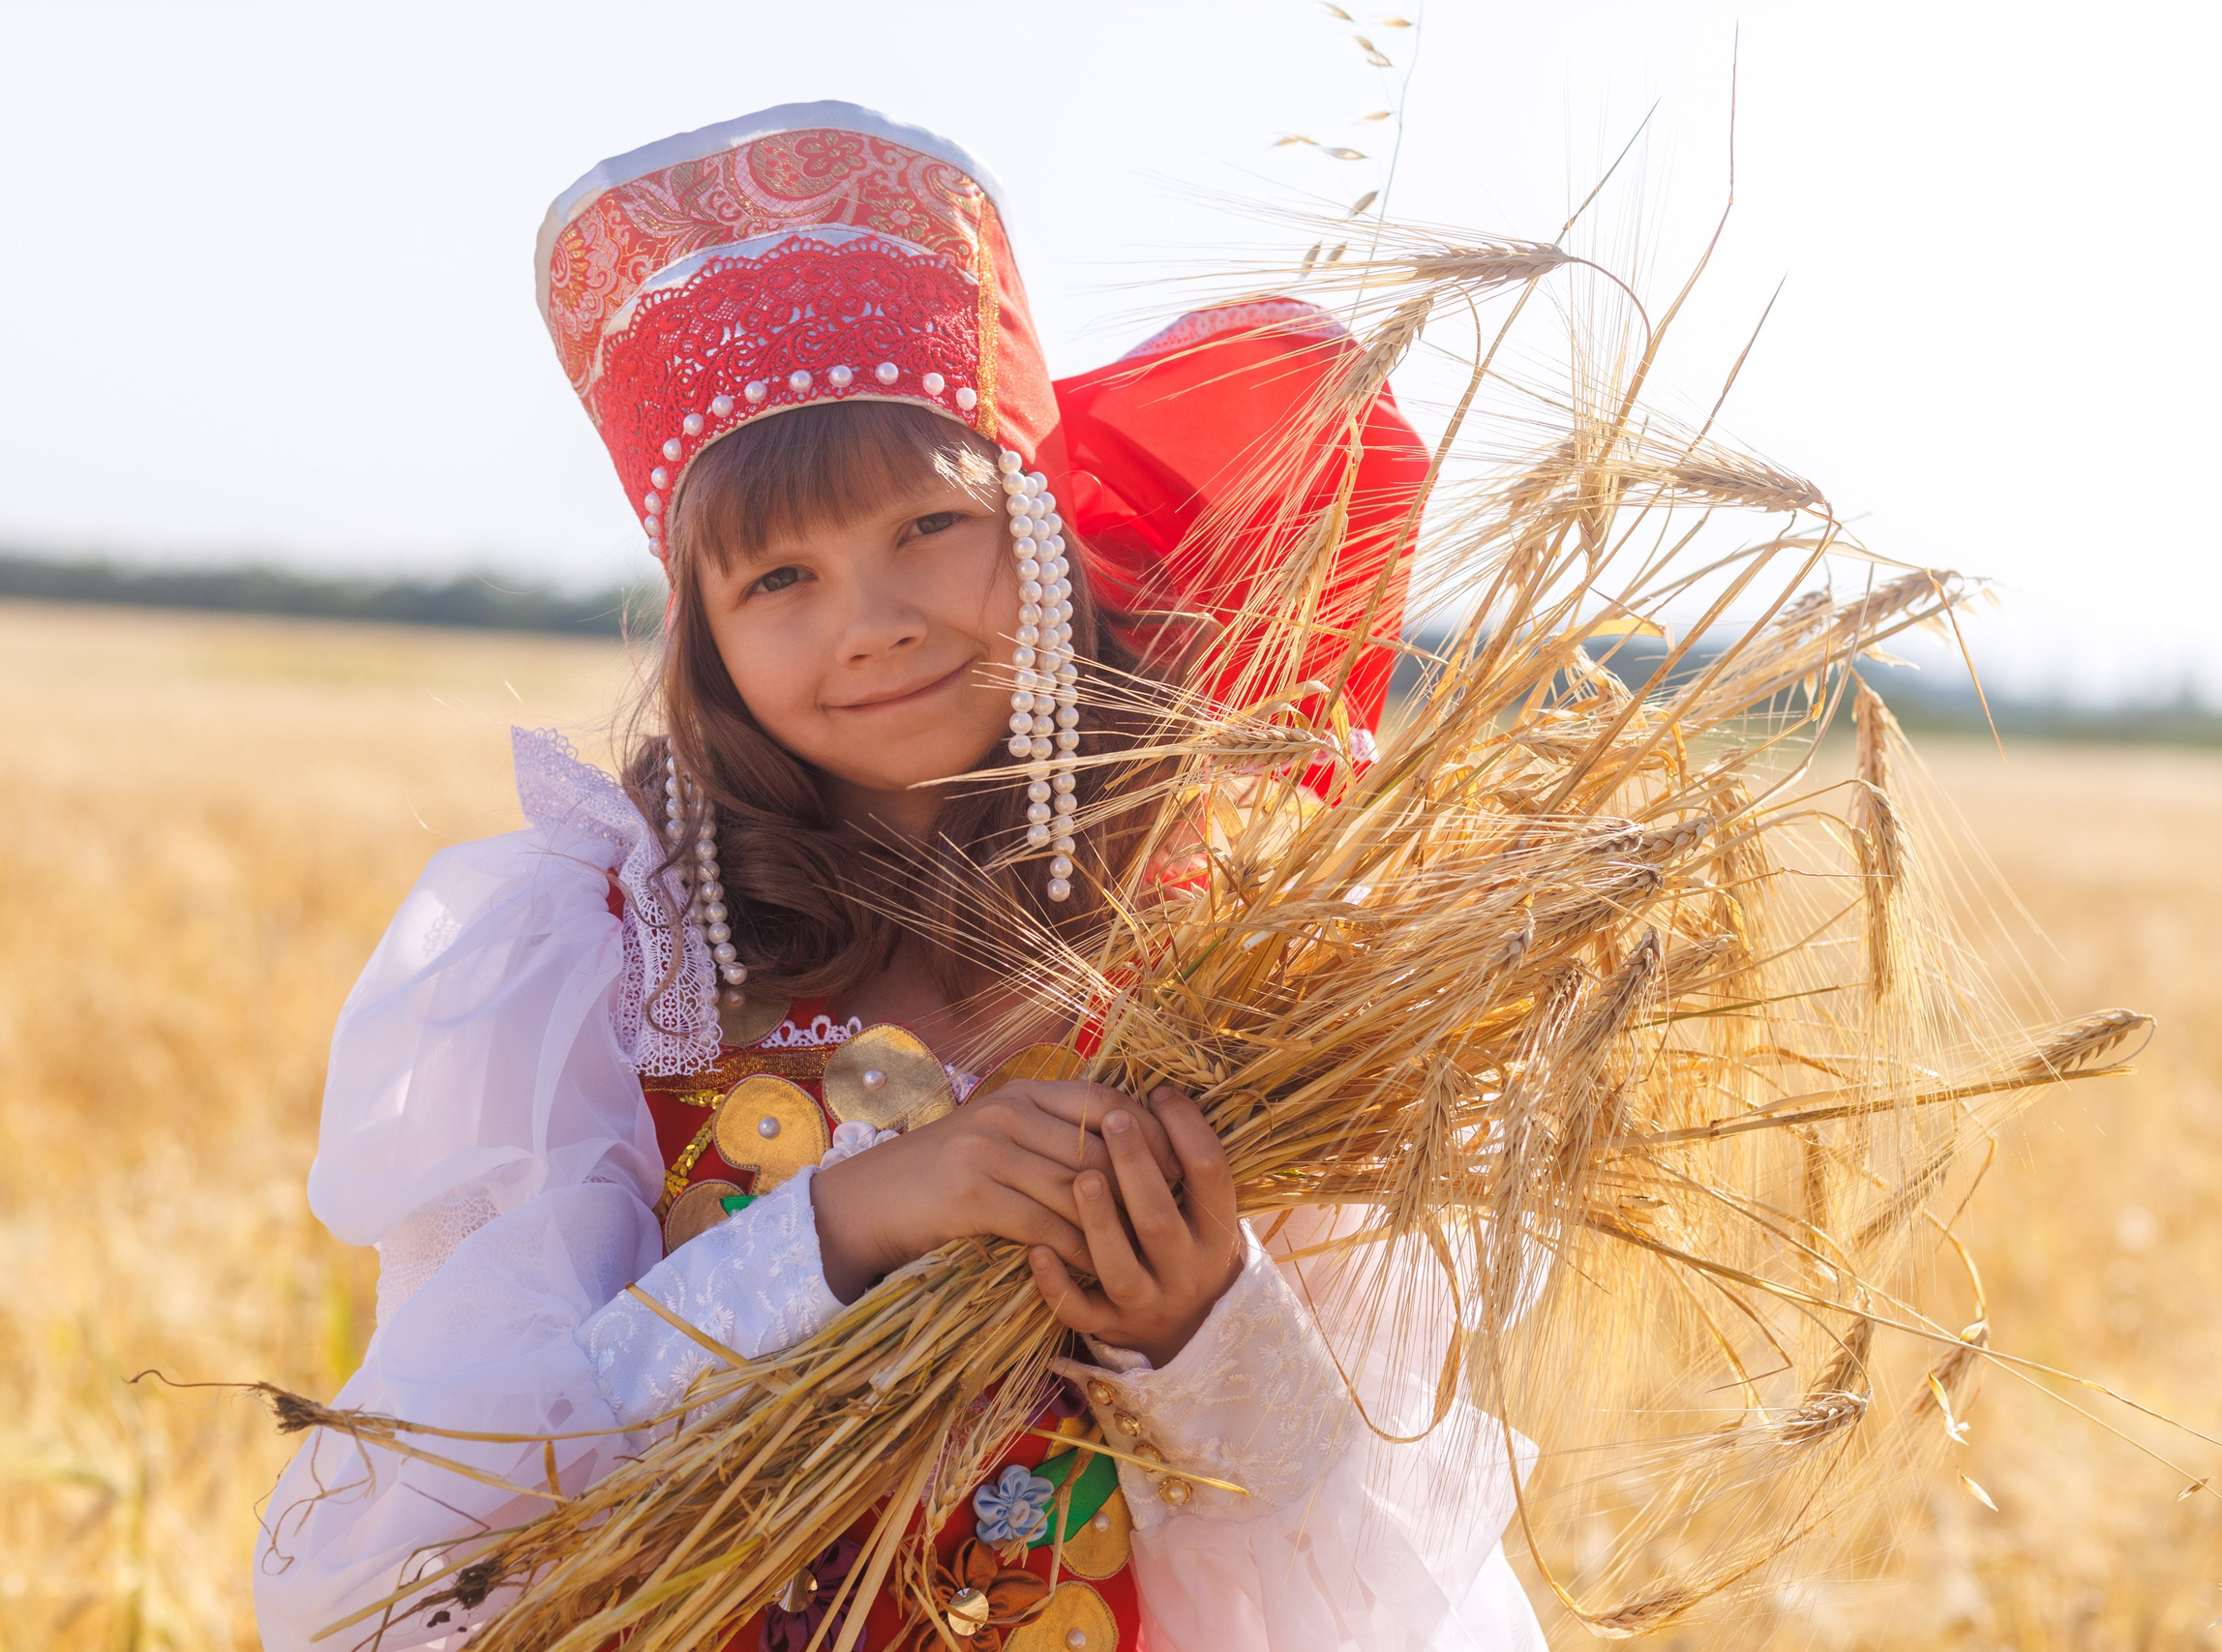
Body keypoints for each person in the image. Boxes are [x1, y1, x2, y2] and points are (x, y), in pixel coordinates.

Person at [254, 102, 1542, 1652]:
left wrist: (1197, 1324)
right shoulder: (611, 963)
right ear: (703, 635)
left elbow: (1381, 1545)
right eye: (780, 577)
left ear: (1044, 536)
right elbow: (478, 1510)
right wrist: (846, 1225)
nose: (871, 622)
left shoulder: (1237, 966)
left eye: (934, 527)